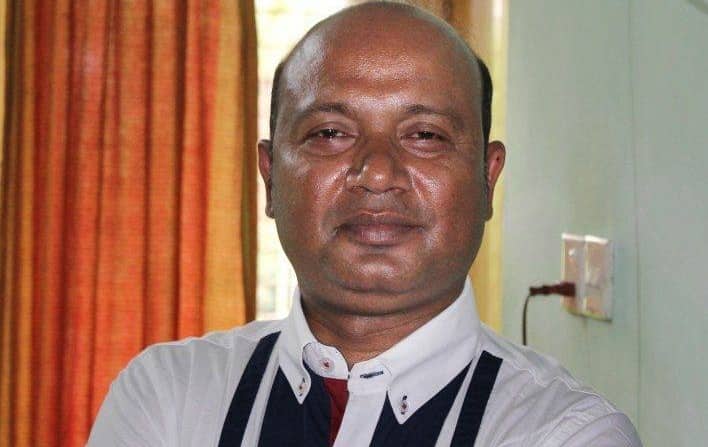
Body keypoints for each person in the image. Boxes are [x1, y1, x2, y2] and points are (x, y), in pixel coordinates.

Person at [88, 2, 642, 446]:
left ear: (487, 178)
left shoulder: (566, 433)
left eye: (425, 135)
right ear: (271, 177)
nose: (377, 173)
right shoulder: (170, 398)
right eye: (330, 133)